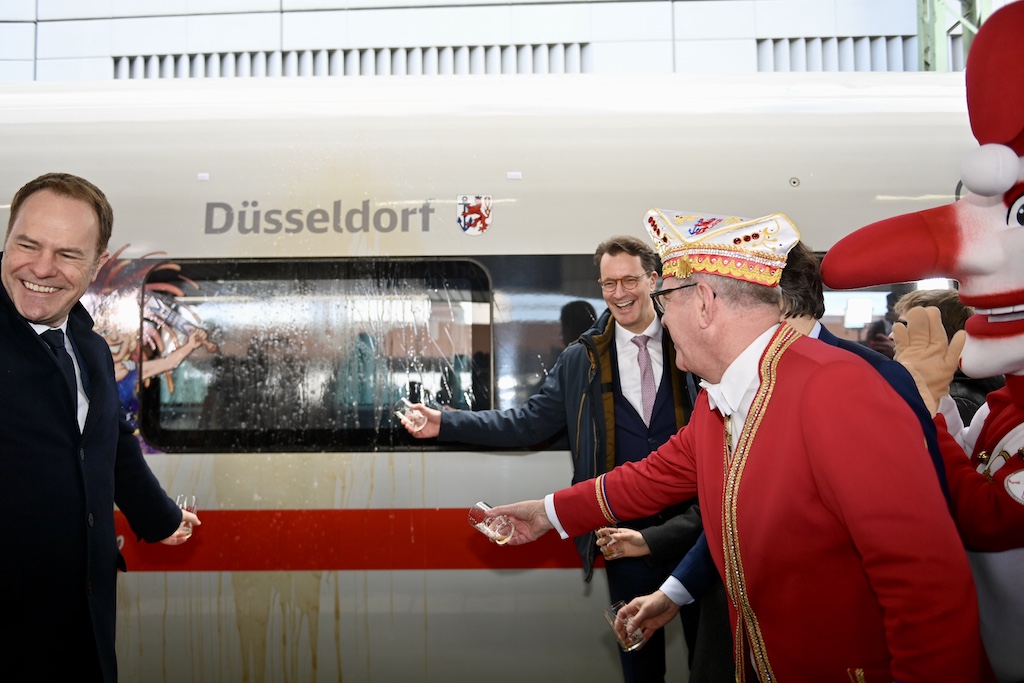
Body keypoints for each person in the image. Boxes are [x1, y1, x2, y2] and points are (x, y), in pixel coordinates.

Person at [489, 209, 992, 682]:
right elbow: (649, 478)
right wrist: (547, 514)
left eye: (665, 301)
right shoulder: (724, 397)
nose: (661, 320)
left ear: (704, 301)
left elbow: (926, 592)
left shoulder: (838, 387)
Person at [403, 235, 698, 683]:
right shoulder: (583, 359)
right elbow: (526, 423)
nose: (619, 294)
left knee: (711, 656)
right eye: (608, 284)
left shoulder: (689, 342)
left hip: (695, 528)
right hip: (620, 533)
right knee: (639, 662)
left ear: (653, 279)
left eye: (629, 281)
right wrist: (447, 422)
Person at [0, 173, 201, 682]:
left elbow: (107, 438)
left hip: (81, 619)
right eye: (27, 245)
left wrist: (157, 518)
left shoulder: (86, 344)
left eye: (68, 254)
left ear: (95, 264)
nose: (42, 268)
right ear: (6, 240)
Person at [892, 288, 1004, 424]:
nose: (892, 336)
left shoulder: (959, 401)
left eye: (905, 325)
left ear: (939, 333)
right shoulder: (964, 387)